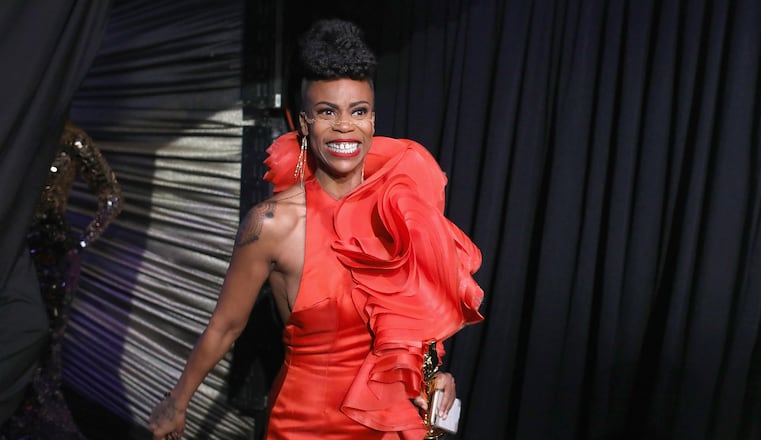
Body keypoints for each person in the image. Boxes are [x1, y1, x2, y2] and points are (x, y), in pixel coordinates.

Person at [149, 19, 484, 440]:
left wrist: (433, 375)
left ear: (373, 120)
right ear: (305, 123)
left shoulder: (401, 209)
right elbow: (226, 327)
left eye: (357, 111)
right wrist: (176, 403)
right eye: (328, 112)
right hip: (309, 425)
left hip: (392, 421)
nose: (345, 126)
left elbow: (418, 319)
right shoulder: (270, 223)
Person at [0, 119, 123, 439]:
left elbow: (111, 197)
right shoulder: (18, 126)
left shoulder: (72, 137)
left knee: (46, 341)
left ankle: (34, 417)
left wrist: (79, 243)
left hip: (51, 254)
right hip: (16, 252)